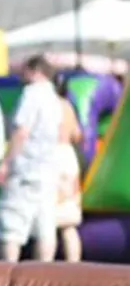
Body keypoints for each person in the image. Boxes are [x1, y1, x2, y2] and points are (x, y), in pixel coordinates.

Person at [0, 55, 63, 263]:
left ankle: (8, 271)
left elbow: (22, 131)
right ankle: (44, 275)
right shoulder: (55, 99)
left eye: (24, 71)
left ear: (35, 71)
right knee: (45, 228)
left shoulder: (31, 94)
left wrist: (6, 162)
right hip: (48, 170)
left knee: (10, 226)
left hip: (25, 168)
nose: (21, 76)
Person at [53, 74, 83, 262]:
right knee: (69, 222)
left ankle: (44, 265)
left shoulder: (48, 104)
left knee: (48, 219)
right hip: (69, 157)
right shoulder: (68, 106)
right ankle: (74, 263)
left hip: (53, 157)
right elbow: (77, 134)